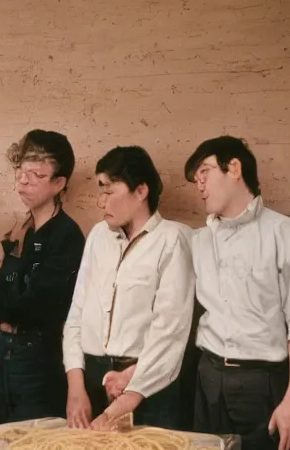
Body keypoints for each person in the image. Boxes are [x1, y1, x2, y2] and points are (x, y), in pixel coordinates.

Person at [184, 136, 290, 450]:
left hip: (264, 384)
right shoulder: (197, 241)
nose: (198, 184)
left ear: (235, 168)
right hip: (209, 377)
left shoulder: (288, 235)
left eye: (205, 172)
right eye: (194, 178)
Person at [61, 146, 194, 431]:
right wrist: (75, 387)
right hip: (94, 378)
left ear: (141, 191)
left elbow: (170, 330)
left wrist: (121, 406)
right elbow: (78, 312)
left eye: (109, 191)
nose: (101, 202)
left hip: (148, 382)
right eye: (100, 191)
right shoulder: (99, 236)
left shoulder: (174, 239)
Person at [0, 130, 85, 429]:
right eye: (20, 172)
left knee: (29, 443)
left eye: (36, 174)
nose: (23, 180)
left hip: (33, 355)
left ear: (59, 183)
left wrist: (3, 318)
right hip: (0, 350)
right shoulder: (22, 228)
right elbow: (1, 286)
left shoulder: (66, 235)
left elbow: (43, 300)